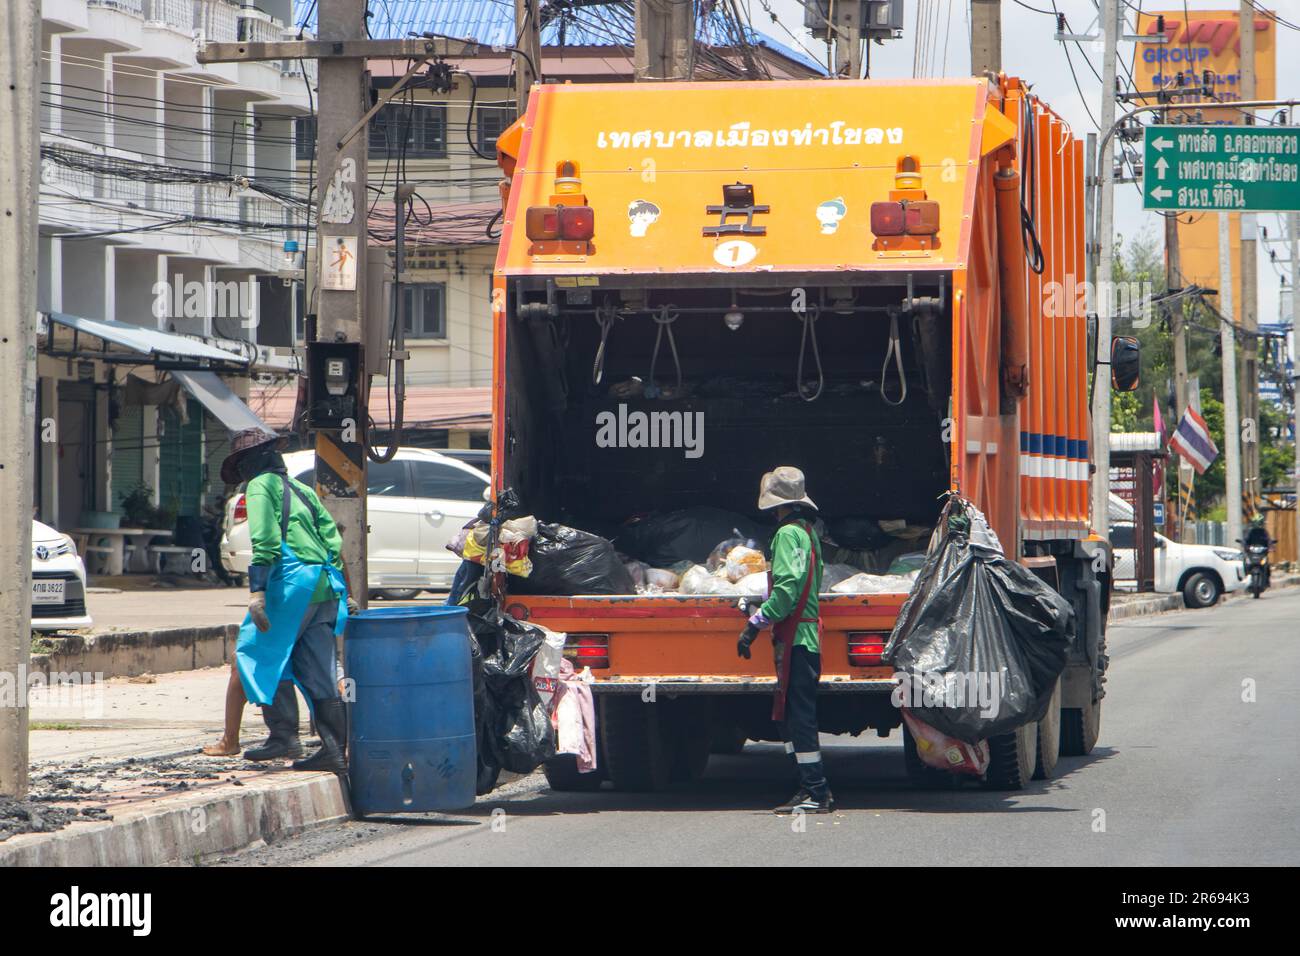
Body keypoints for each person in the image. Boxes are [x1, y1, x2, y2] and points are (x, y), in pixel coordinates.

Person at [219, 428, 353, 772]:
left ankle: (283, 737)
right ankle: (334, 751)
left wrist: (258, 593)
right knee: (319, 671)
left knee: (255, 653)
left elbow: (265, 540)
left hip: (290, 585)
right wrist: (345, 594)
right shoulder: (304, 489)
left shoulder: (261, 486)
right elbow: (333, 542)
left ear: (249, 463)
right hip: (324, 585)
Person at [736, 466, 833, 814]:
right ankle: (806, 785)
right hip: (803, 636)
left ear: (775, 503)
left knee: (799, 716)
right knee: (789, 716)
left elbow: (788, 589)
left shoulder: (787, 535)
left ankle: (816, 791)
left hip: (798, 640)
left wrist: (754, 623)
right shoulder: (807, 531)